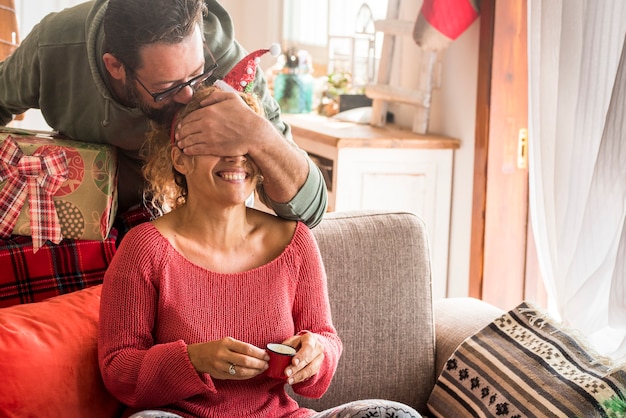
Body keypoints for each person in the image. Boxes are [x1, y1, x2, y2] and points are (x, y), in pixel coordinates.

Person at [97, 84, 422, 418]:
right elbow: (118, 370)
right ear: (180, 157)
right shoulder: (144, 248)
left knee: (397, 415)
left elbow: (326, 341)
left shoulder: (294, 241)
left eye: (247, 143)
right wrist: (195, 359)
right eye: (219, 142)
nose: (237, 156)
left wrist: (316, 352)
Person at [0, 0, 327, 227]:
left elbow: (311, 209)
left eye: (198, 74)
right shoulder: (52, 46)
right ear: (115, 66)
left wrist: (259, 137)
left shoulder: (225, 56)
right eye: (167, 86)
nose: (188, 96)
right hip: (81, 222)